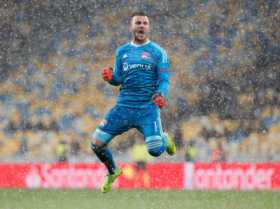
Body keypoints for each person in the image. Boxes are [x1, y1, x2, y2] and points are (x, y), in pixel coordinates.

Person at [91, 11, 176, 193]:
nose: (141, 26)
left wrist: (161, 93)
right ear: (131, 27)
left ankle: (164, 138)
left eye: (145, 23)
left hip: (147, 108)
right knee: (96, 143)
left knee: (154, 150)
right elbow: (118, 78)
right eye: (138, 22)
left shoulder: (158, 52)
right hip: (123, 108)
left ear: (149, 27)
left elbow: (164, 79)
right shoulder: (122, 51)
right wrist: (110, 77)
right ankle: (113, 171)